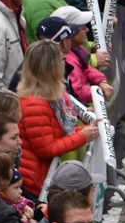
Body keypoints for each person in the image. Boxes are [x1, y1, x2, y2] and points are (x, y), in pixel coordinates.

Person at [16, 40, 98, 200]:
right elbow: (46, 148)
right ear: (51, 68)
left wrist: (90, 130)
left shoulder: (49, 97)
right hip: (34, 182)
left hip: (40, 177)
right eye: (62, 60)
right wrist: (83, 136)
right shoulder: (35, 104)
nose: (65, 64)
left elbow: (62, 133)